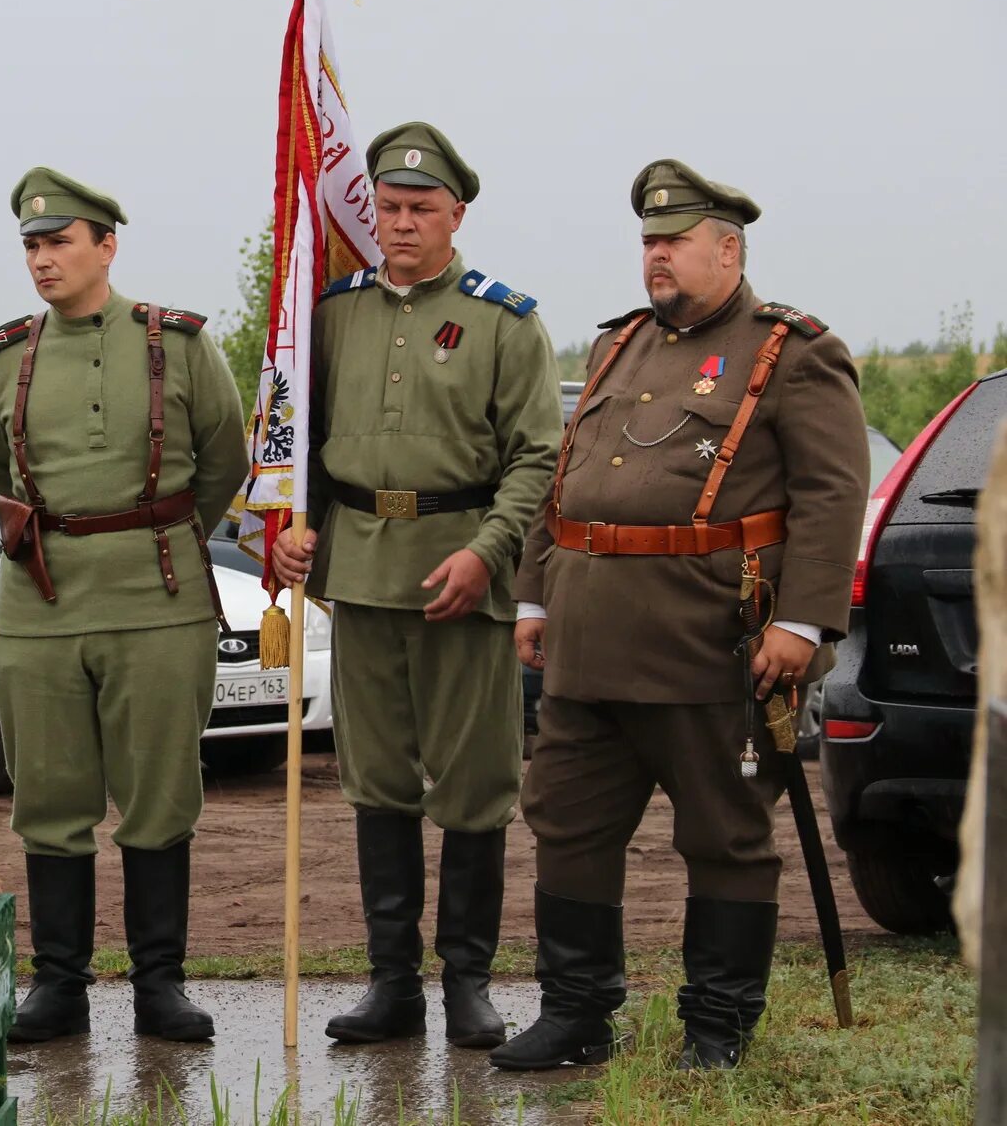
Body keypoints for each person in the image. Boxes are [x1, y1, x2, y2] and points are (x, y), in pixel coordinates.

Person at [490, 160, 867, 1073]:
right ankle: (576, 1010)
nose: (655, 257)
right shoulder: (617, 345)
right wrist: (536, 594)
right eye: (648, 242)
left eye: (674, 241)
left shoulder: (791, 350)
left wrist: (805, 625)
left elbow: (832, 493)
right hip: (587, 641)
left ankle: (717, 1026)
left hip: (712, 642)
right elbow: (568, 482)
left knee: (725, 832)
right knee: (567, 822)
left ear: (728, 249)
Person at [269, 123, 561, 1047]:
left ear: (455, 214)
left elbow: (537, 457)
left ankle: (466, 980)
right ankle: (391, 983)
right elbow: (298, 434)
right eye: (389, 207)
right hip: (359, 574)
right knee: (378, 783)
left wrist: (488, 551)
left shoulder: (503, 321)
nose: (400, 223)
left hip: (461, 572)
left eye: (420, 209)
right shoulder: (335, 312)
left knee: (474, 785)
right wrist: (289, 526)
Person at [0, 168, 247, 1044]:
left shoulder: (178, 343)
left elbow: (224, 460)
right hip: (40, 601)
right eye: (31, 245)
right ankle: (59, 983)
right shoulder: (4, 356)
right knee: (48, 796)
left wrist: (154, 537)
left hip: (155, 596)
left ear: (107, 244)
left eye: (59, 242)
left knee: (161, 795)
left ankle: (159, 984)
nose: (43, 259)